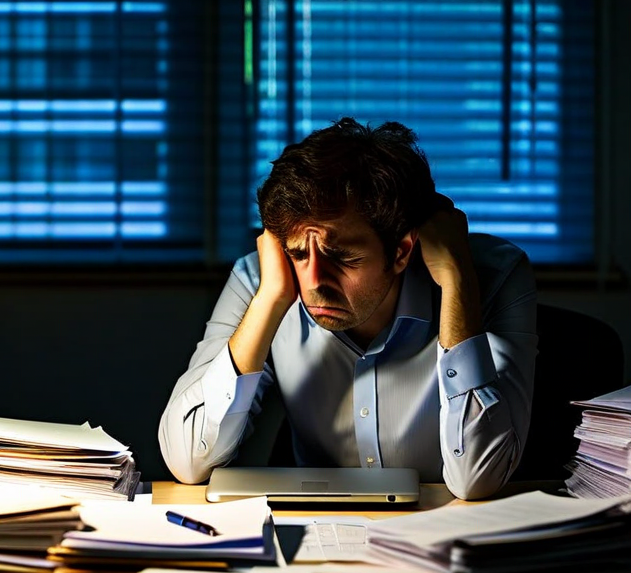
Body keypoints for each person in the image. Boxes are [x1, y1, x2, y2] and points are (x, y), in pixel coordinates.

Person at [157, 118, 537, 500]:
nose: (315, 280)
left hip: (440, 535)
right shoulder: (261, 279)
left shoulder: (494, 277)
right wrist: (271, 298)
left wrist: (458, 282)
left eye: (342, 257)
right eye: (298, 253)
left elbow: (477, 479)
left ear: (401, 250)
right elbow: (187, 461)